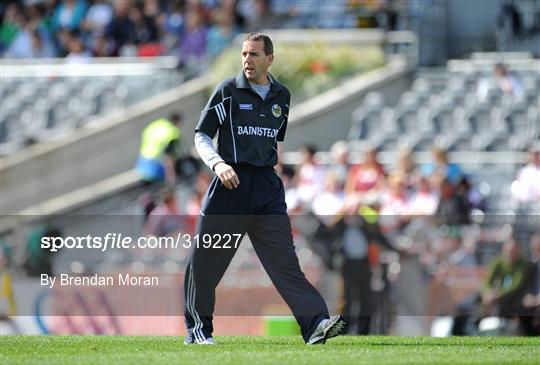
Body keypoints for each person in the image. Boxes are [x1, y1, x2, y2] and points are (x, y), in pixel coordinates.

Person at [184, 32, 345, 345]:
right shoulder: (227, 91)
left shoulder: (281, 95)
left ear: (269, 59)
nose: (247, 60)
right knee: (205, 263)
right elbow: (201, 136)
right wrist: (218, 164)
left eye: (254, 54)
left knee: (285, 262)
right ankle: (198, 330)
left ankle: (314, 325)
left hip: (267, 188)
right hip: (231, 184)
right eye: (244, 54)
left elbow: (272, 141)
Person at [135, 112, 182, 186]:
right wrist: (172, 179)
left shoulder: (159, 124)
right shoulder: (172, 132)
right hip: (154, 166)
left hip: (142, 162)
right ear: (178, 122)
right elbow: (169, 158)